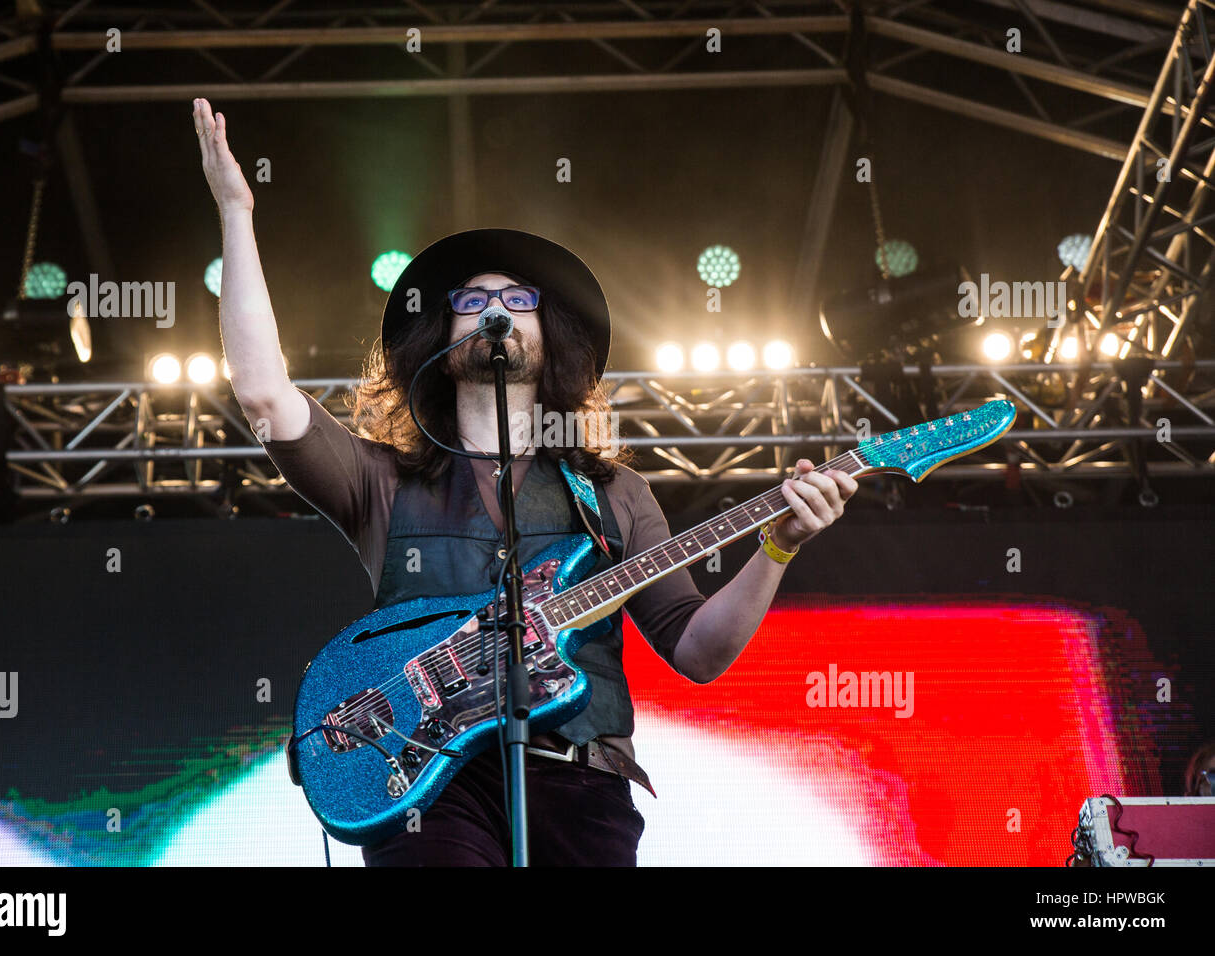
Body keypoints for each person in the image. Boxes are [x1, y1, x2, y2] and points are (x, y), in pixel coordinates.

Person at [192, 97, 859, 865]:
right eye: (472, 301)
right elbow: (262, 393)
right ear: (441, 339)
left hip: (583, 789)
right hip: (430, 791)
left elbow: (697, 651)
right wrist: (236, 213)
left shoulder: (613, 494)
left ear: (551, 336)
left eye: (519, 300)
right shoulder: (381, 482)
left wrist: (778, 547)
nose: (496, 312)